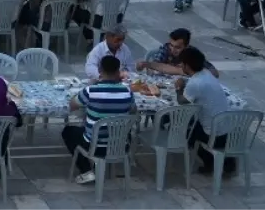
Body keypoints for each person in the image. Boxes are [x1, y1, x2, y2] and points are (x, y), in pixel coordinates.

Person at [64, 55, 136, 185]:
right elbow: (133, 111)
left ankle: (86, 170)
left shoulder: (91, 91)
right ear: (118, 71)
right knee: (121, 129)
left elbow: (73, 105)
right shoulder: (127, 92)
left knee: (68, 131)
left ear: (100, 70)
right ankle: (98, 168)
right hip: (120, 145)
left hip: (95, 146)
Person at [174, 47, 232, 175]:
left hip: (213, 134)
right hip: (226, 129)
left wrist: (178, 87)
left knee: (187, 131)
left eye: (182, 64)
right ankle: (227, 162)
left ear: (187, 65)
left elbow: (182, 101)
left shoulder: (195, 83)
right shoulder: (207, 74)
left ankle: (209, 162)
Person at [137, 28, 219, 77]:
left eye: (178, 47)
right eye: (171, 45)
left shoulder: (192, 53)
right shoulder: (166, 48)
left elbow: (214, 73)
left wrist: (194, 71)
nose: (173, 49)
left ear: (186, 46)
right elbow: (155, 66)